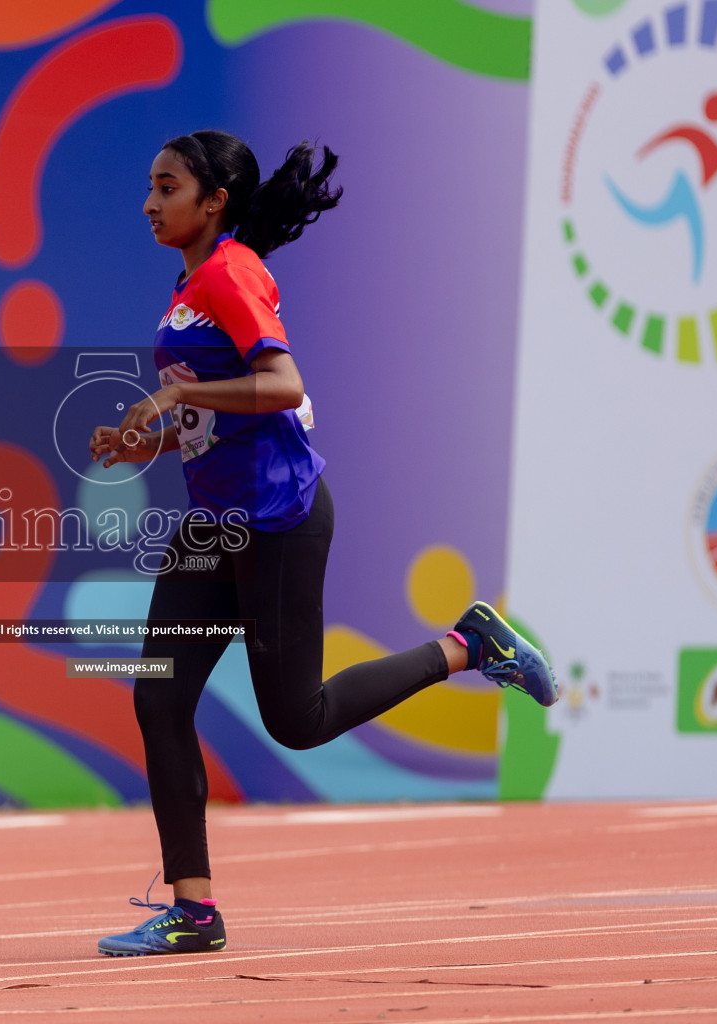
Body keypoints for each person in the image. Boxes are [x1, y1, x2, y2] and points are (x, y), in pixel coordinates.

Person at [86, 131, 557, 956]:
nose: (149, 202)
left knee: (295, 722)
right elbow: (213, 410)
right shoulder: (190, 284)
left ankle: (466, 644)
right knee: (158, 698)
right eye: (149, 187)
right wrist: (146, 443)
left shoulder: (231, 273)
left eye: (166, 187)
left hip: (276, 522)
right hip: (211, 522)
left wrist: (164, 403)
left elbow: (282, 385)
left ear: (213, 201)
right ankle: (193, 912)